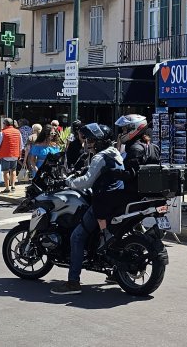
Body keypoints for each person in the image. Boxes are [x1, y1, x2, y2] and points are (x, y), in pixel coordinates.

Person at [51, 122, 125, 295]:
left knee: (77, 237)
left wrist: (67, 182)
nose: (88, 143)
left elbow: (87, 181)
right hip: (117, 199)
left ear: (99, 141)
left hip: (103, 201)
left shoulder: (100, 157)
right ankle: (115, 272)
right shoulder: (115, 153)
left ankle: (73, 282)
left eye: (91, 140)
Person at [0, 118, 22, 193]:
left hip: (5, 154)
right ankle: (13, 185)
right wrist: (19, 152)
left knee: (5, 171)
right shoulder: (18, 132)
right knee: (13, 170)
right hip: (15, 154)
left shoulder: (3, 132)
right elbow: (21, 144)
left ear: (5, 124)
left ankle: (7, 188)